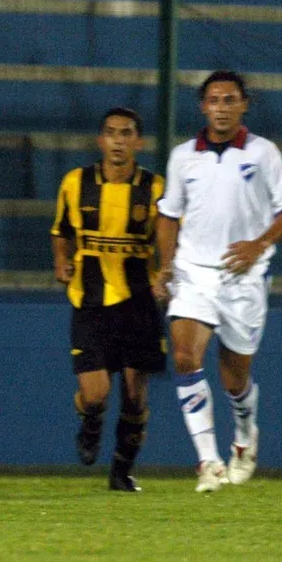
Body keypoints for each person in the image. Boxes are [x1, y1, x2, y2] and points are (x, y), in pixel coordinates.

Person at [153, 70, 282, 493]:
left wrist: (259, 244)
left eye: (229, 100)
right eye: (214, 100)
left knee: (234, 379)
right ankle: (208, 462)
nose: (221, 108)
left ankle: (244, 433)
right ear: (203, 107)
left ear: (244, 105)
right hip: (194, 272)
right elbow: (168, 215)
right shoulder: (183, 157)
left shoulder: (263, 153)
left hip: (243, 277)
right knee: (185, 356)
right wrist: (166, 265)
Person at [50, 107, 166, 492]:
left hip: (138, 301)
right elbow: (61, 231)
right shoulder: (76, 182)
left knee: (134, 396)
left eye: (126, 133)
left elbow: (169, 237)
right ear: (101, 140)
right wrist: (61, 259)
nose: (119, 140)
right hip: (91, 301)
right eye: (112, 133)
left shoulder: (155, 188)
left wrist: (166, 274)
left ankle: (121, 473)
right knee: (96, 393)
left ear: (139, 142)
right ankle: (91, 420)